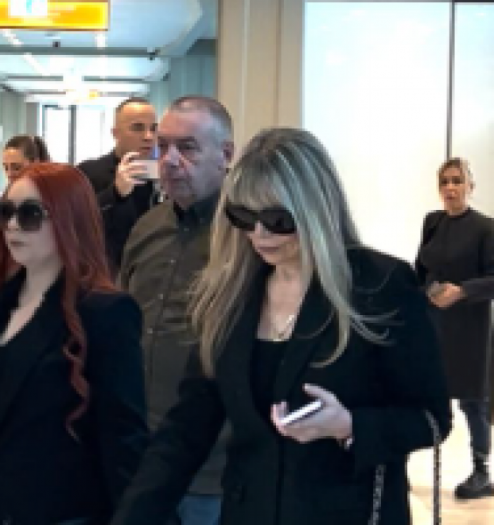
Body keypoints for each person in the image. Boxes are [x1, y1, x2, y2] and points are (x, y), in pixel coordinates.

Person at [112, 127, 452, 525]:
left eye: (277, 219)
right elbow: (187, 428)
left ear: (315, 211)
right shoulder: (232, 295)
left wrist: (349, 426)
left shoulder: (380, 284)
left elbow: (431, 419)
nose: (259, 234)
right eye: (243, 216)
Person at [0, 162, 149, 525]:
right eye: (4, 212)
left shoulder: (106, 314)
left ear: (69, 220)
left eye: (30, 214)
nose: (12, 225)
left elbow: (123, 440)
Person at [118, 96, 235, 525]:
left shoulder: (248, 236)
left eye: (187, 148)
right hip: (141, 453)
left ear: (226, 155)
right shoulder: (148, 228)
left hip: (212, 466)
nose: (168, 160)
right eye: (162, 146)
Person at [416, 157, 494, 500]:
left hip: (470, 329)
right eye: (444, 182)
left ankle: (481, 472)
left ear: (470, 186)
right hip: (433, 324)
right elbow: (422, 268)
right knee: (424, 396)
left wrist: (461, 291)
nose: (450, 188)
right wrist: (428, 291)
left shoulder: (485, 228)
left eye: (457, 181)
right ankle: (403, 462)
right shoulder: (432, 222)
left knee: (473, 403)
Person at [77, 97, 159, 273]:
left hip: (152, 273)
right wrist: (115, 193)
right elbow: (76, 225)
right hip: (104, 273)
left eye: (153, 129)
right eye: (138, 128)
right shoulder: (88, 172)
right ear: (116, 133)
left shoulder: (166, 175)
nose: (148, 137)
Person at [0, 134, 52, 260]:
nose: (9, 173)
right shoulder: (8, 195)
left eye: (16, 167)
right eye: (5, 167)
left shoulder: (47, 197)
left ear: (35, 162)